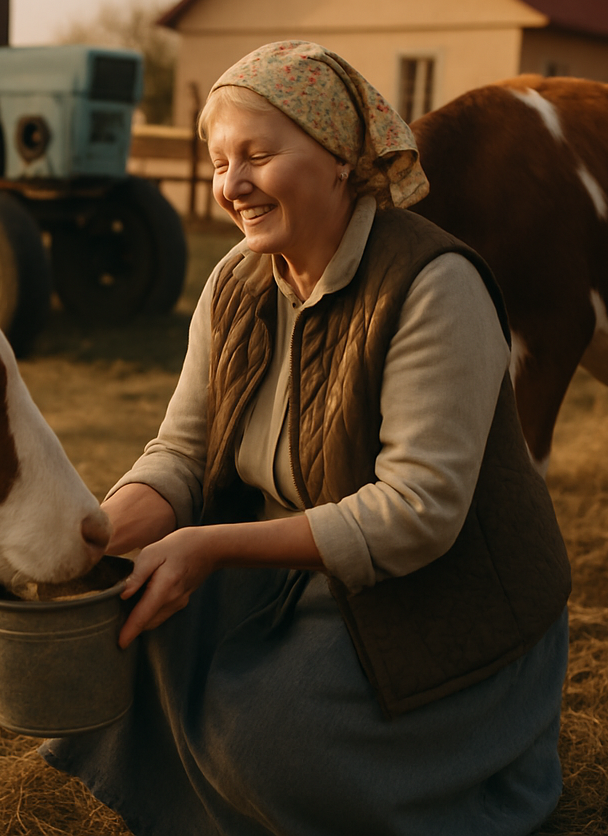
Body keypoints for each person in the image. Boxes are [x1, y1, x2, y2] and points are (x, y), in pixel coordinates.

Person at [41, 40, 571, 836]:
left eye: (258, 155)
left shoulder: (434, 286)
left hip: (441, 595)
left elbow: (419, 513)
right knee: (124, 632)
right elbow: (182, 452)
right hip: (294, 569)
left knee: (267, 738)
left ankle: (466, 782)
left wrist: (209, 548)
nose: (233, 186)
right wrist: (102, 536)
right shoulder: (233, 284)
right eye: (221, 162)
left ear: (340, 159)